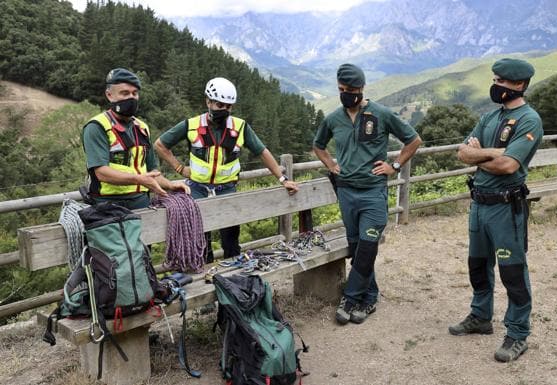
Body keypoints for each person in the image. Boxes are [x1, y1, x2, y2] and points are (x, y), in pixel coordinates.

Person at [313, 63, 422, 325]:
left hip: (373, 192)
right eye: (341, 89)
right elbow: (318, 145)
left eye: (350, 89)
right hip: (346, 192)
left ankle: (350, 298)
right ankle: (370, 297)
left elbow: (414, 140)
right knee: (357, 247)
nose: (346, 93)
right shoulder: (333, 119)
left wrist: (394, 166)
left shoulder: (381, 114)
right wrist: (331, 165)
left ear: (361, 89)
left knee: (368, 245)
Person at [450, 58, 543, 362]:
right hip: (479, 204)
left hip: (506, 207)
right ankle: (480, 317)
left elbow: (508, 165)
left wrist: (480, 155)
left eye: (502, 81)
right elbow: (462, 152)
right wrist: (490, 152)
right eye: (495, 79)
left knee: (512, 271)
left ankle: (517, 334)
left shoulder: (529, 120)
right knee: (478, 265)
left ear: (519, 85)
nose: (496, 85)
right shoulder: (489, 117)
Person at [154, 77, 299, 262]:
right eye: (219, 105)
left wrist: (283, 180)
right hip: (197, 189)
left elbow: (263, 152)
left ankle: (234, 280)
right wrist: (179, 168)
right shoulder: (191, 125)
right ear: (208, 101)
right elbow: (160, 145)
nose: (224, 110)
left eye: (228, 106)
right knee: (201, 243)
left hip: (227, 190)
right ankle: (205, 279)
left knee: (231, 242)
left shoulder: (240, 127)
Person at [82, 68, 189, 210]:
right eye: (124, 93)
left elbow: (152, 173)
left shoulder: (142, 128)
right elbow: (101, 172)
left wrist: (170, 185)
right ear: (109, 95)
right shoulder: (97, 127)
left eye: (135, 93)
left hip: (142, 204)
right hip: (109, 207)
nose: (131, 98)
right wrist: (138, 179)